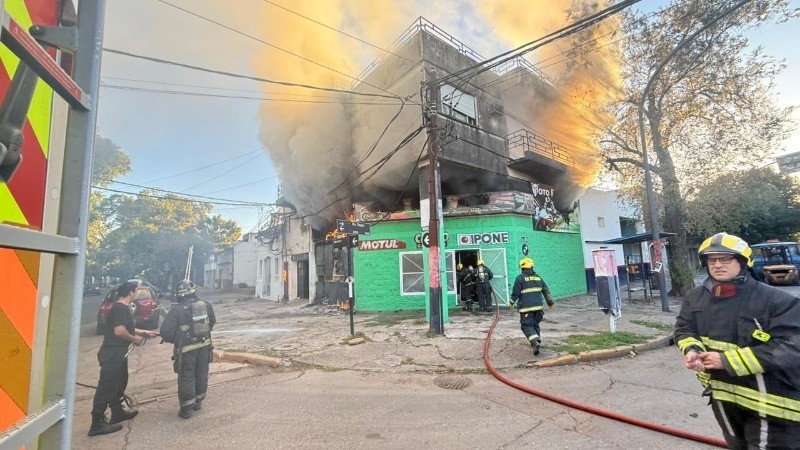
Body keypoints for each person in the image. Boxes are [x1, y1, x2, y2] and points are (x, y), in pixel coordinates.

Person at [675, 232, 800, 449]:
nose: (717, 265)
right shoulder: (695, 298)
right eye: (712, 260)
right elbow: (685, 328)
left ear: (743, 262)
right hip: (724, 398)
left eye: (725, 259)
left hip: (773, 407)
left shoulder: (776, 300)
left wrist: (727, 361)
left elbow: (792, 347)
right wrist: (692, 350)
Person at [89, 281, 158, 436]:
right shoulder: (120, 308)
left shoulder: (122, 308)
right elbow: (119, 331)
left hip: (118, 353)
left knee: (119, 383)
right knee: (106, 388)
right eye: (135, 291)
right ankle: (97, 424)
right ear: (130, 293)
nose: (136, 294)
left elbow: (127, 328)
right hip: (112, 354)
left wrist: (144, 332)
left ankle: (117, 412)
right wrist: (135, 339)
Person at [160, 280, 216, 419]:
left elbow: (166, 332)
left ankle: (186, 409)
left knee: (187, 377)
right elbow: (212, 322)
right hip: (204, 346)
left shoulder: (176, 310)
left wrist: (178, 338)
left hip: (186, 350)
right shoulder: (206, 305)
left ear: (179, 295)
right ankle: (198, 402)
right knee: (201, 373)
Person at [508, 257, 554, 356]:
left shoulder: (520, 278)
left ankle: (535, 342)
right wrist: (550, 303)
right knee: (535, 324)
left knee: (526, 326)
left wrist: (511, 302)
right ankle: (536, 341)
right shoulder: (538, 277)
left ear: (522, 267)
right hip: (538, 308)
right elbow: (546, 290)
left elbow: (515, 293)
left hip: (526, 309)